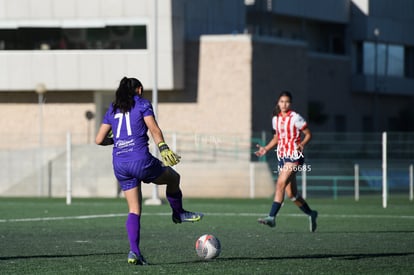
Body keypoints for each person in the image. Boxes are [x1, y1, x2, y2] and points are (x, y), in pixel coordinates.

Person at [95, 77, 203, 265]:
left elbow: (98, 139)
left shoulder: (112, 108)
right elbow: (154, 129)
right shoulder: (142, 103)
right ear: (139, 89)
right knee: (173, 178)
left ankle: (134, 252)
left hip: (120, 164)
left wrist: (117, 140)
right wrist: (163, 148)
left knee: (134, 210)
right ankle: (179, 213)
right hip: (140, 161)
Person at [255, 91, 318, 232]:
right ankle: (311, 213)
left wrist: (302, 144)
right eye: (282, 101)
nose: (284, 104)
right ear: (278, 103)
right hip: (282, 157)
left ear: (291, 103)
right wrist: (266, 148)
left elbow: (308, 134)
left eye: (287, 101)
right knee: (292, 194)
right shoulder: (275, 119)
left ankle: (271, 217)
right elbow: (277, 138)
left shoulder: (296, 118)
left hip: (295, 156)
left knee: (280, 183)